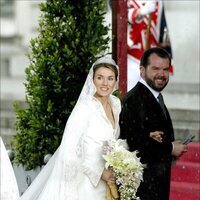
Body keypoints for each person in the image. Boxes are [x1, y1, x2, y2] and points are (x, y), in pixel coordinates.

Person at [19, 56, 121, 200]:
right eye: (100, 78)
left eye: (110, 78)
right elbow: (70, 150)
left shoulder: (116, 104)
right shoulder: (84, 108)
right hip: (85, 183)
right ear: (92, 80)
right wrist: (99, 173)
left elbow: (114, 141)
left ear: (116, 81)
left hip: (109, 180)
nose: (105, 83)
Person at [119, 47, 187, 200]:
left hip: (156, 186)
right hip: (142, 189)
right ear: (142, 70)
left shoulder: (154, 96)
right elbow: (134, 144)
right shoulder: (134, 100)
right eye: (155, 68)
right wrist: (170, 148)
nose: (161, 74)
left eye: (165, 69)